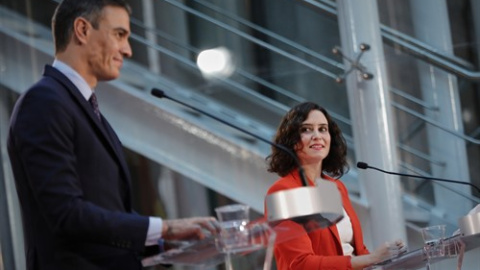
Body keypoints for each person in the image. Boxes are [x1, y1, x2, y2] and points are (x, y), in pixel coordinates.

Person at [7, 1, 218, 269]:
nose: (128, 51)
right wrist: (164, 228)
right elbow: (66, 214)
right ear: (82, 30)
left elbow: (106, 212)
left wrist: (165, 244)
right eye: (120, 35)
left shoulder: (85, 111)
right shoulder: (44, 102)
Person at [264, 102, 405, 270]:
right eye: (307, 129)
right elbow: (300, 264)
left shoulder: (335, 187)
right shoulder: (283, 191)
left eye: (323, 129)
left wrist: (385, 258)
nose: (317, 135)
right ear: (293, 141)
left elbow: (353, 251)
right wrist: (373, 259)